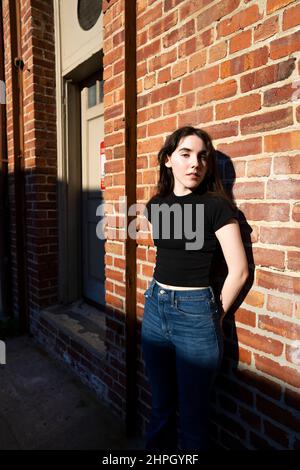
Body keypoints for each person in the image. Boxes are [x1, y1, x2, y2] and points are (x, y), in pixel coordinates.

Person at [141, 126, 249, 451]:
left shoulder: (217, 207)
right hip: (155, 309)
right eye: (185, 154)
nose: (195, 164)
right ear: (167, 160)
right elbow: (166, 254)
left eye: (202, 156)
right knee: (160, 407)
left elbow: (240, 271)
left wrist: (215, 316)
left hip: (196, 315)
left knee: (192, 418)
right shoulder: (155, 206)